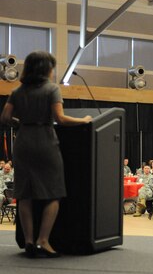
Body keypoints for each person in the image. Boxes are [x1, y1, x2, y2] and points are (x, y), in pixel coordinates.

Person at [0, 51, 91, 258]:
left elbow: (5, 117)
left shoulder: (17, 91)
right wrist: (84, 120)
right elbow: (60, 118)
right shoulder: (52, 89)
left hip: (23, 142)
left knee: (24, 194)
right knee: (53, 193)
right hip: (45, 142)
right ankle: (43, 240)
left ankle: (29, 241)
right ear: (45, 69)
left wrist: (22, 124)